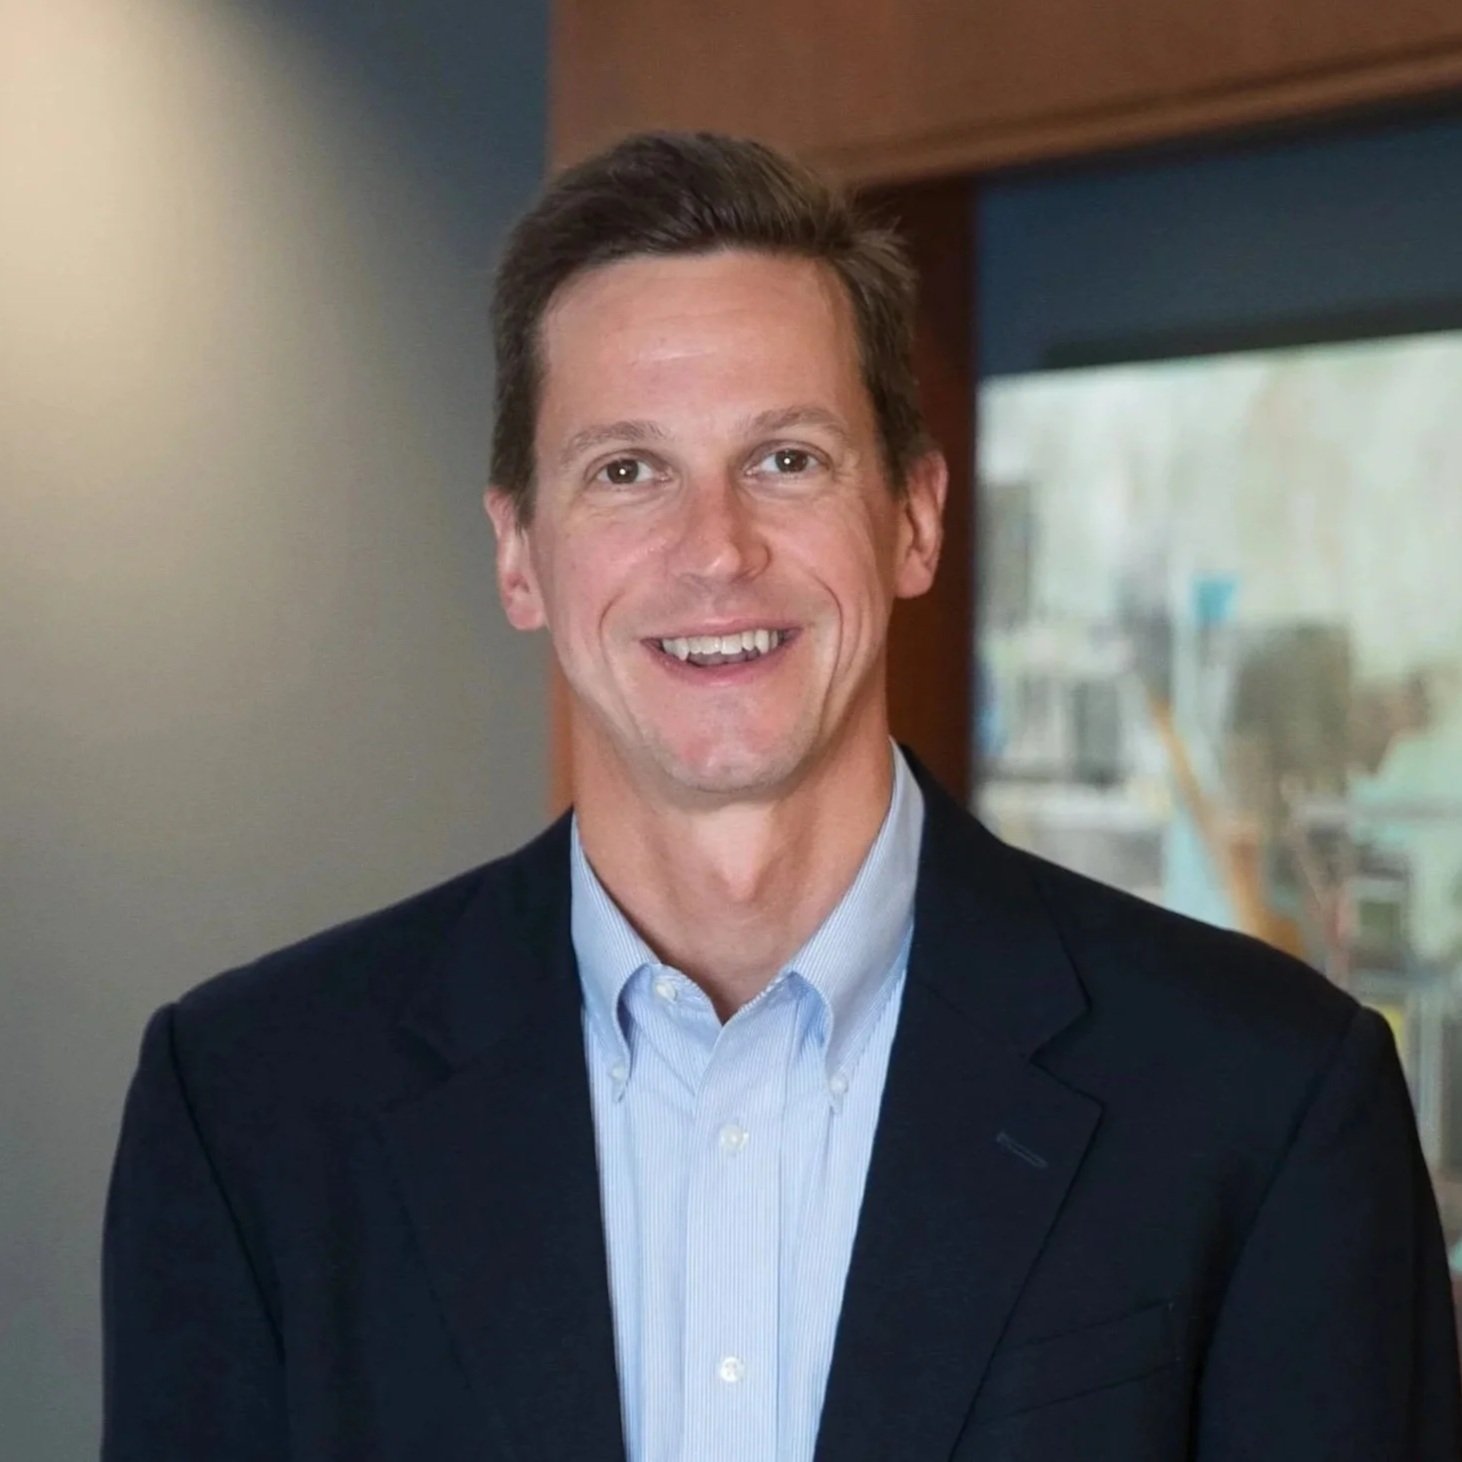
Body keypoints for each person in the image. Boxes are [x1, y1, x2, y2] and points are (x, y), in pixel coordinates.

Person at [102, 131, 1460, 1461]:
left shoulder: (1263, 1094)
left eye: (786, 459)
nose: (716, 550)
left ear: (913, 518)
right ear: (519, 554)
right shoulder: (252, 1109)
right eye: (626, 471)